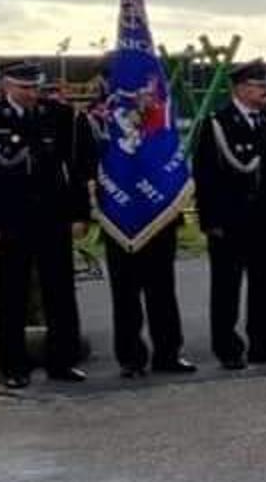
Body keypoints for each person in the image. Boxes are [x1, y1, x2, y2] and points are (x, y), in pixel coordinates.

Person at [0, 60, 95, 388]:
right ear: (5, 86)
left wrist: (80, 214)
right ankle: (13, 365)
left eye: (35, 87)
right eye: (23, 87)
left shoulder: (59, 115)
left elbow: (75, 168)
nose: (30, 93)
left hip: (52, 216)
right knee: (12, 295)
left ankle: (62, 360)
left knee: (60, 292)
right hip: (11, 220)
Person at [89, 61, 195, 380]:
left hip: (157, 214)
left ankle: (168, 353)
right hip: (119, 212)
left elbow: (169, 158)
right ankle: (131, 357)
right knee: (125, 293)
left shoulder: (159, 116)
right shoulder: (97, 120)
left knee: (162, 289)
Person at [194, 60, 266, 366]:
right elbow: (205, 175)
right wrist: (210, 219)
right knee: (227, 288)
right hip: (230, 220)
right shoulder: (218, 122)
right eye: (259, 86)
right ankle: (228, 349)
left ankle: (264, 344)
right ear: (240, 88)